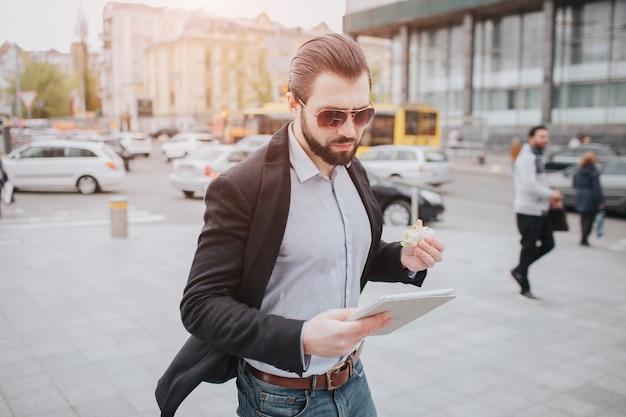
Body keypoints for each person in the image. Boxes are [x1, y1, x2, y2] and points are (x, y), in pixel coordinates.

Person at [156, 33, 446, 417]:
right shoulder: (242, 187)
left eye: (362, 114)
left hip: (354, 379)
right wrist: (302, 337)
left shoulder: (351, 167)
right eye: (332, 116)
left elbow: (348, 252)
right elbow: (201, 305)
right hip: (280, 400)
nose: (350, 130)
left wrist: (403, 259)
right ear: (293, 102)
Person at [510, 125, 563, 305]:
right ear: (531, 138)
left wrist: (550, 193)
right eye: (541, 136)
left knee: (548, 243)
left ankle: (519, 270)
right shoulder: (526, 158)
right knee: (528, 247)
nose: (545, 139)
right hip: (527, 210)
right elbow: (528, 186)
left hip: (539, 210)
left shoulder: (536, 157)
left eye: (546, 136)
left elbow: (539, 181)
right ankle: (524, 287)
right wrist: (552, 195)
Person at [573, 151, 604, 246]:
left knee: (583, 217)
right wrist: (601, 201)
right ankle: (584, 238)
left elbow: (574, 183)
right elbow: (596, 187)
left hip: (580, 194)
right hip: (590, 195)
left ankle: (583, 236)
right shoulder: (593, 171)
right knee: (589, 218)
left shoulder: (579, 170)